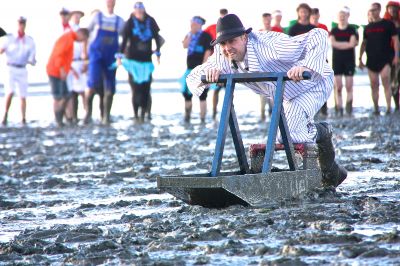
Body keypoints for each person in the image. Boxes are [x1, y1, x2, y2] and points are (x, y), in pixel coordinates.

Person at [186, 14, 347, 188]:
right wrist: (208, 76)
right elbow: (192, 78)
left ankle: (322, 132)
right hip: (287, 93)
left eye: (232, 41)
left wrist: (307, 66)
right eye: (223, 43)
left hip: (314, 82)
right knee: (284, 135)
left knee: (291, 135)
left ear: (244, 37)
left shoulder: (269, 46)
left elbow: (319, 35)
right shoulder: (224, 55)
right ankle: (330, 168)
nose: (227, 47)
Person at [118, 2, 162, 123]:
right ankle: (136, 115)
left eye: (141, 9)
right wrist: (119, 56)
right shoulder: (130, 22)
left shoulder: (150, 20)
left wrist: (158, 53)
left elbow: (156, 37)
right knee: (135, 89)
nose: (139, 12)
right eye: (137, 10)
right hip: (133, 61)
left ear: (144, 10)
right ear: (134, 11)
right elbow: (124, 40)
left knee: (146, 89)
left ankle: (144, 114)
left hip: (146, 61)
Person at [84, 0, 124, 125]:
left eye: (112, 2)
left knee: (110, 85)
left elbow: (126, 37)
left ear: (115, 3)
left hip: (111, 55)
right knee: (93, 82)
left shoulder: (120, 21)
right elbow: (86, 33)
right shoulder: (97, 17)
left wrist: (121, 53)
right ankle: (88, 114)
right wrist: (85, 51)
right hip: (96, 53)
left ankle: (106, 115)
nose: (110, 4)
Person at [359, 2, 399, 115]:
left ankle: (388, 108)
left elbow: (396, 40)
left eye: (375, 10)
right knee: (374, 84)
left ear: (379, 10)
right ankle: (376, 109)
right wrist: (360, 58)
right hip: (371, 59)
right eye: (371, 10)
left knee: (386, 80)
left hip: (386, 58)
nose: (373, 12)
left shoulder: (388, 24)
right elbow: (364, 43)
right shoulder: (367, 27)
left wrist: (396, 55)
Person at [46, 28, 89, 127]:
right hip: (55, 71)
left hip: (61, 70)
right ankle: (58, 120)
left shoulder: (70, 38)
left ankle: (64, 119)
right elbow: (59, 55)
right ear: (81, 34)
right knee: (59, 96)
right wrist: (61, 70)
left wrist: (69, 69)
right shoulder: (68, 39)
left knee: (66, 95)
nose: (82, 42)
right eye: (83, 39)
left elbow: (66, 58)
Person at [0, 16, 36, 126]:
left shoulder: (29, 41)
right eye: (20, 23)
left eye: (23, 23)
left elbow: (32, 57)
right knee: (10, 92)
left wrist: (32, 61)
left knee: (23, 94)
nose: (21, 25)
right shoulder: (9, 38)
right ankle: (5, 115)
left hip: (22, 68)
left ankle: (23, 118)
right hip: (11, 68)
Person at [181, 16, 213, 123]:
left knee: (203, 96)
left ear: (199, 24)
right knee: (187, 95)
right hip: (189, 69)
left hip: (201, 70)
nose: (192, 26)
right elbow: (185, 45)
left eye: (194, 24)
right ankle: (187, 117)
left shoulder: (205, 36)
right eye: (191, 24)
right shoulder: (189, 35)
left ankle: (202, 119)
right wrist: (190, 34)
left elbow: (208, 52)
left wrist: (202, 69)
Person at [330, 7, 358, 116]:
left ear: (348, 16)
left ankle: (349, 108)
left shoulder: (352, 29)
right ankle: (339, 109)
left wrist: (340, 44)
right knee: (338, 87)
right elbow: (333, 43)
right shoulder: (334, 30)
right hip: (337, 61)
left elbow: (352, 44)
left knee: (349, 86)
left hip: (349, 61)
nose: (342, 18)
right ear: (337, 17)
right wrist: (346, 44)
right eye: (340, 16)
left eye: (344, 16)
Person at [204, 8, 228, 120]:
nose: (223, 18)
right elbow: (203, 37)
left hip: (228, 61)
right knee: (216, 90)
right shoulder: (212, 28)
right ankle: (214, 112)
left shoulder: (230, 26)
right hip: (216, 62)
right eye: (221, 16)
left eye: (225, 16)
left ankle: (228, 111)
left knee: (229, 89)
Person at [66, 10, 87, 124]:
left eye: (79, 17)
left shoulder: (82, 31)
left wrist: (85, 62)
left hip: (80, 62)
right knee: (72, 91)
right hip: (71, 62)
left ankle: (86, 113)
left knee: (83, 90)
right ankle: (73, 115)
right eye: (76, 16)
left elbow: (85, 47)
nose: (77, 19)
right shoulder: (68, 32)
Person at [384, 1, 400, 111]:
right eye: (390, 8)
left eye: (394, 8)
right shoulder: (385, 23)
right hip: (390, 54)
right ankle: (396, 105)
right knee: (394, 80)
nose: (392, 10)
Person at [259, 13, 274, 120]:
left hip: (273, 67)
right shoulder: (258, 33)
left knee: (273, 94)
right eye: (265, 20)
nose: (267, 22)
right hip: (261, 68)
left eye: (269, 20)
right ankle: (263, 116)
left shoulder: (275, 33)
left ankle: (273, 116)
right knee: (262, 95)